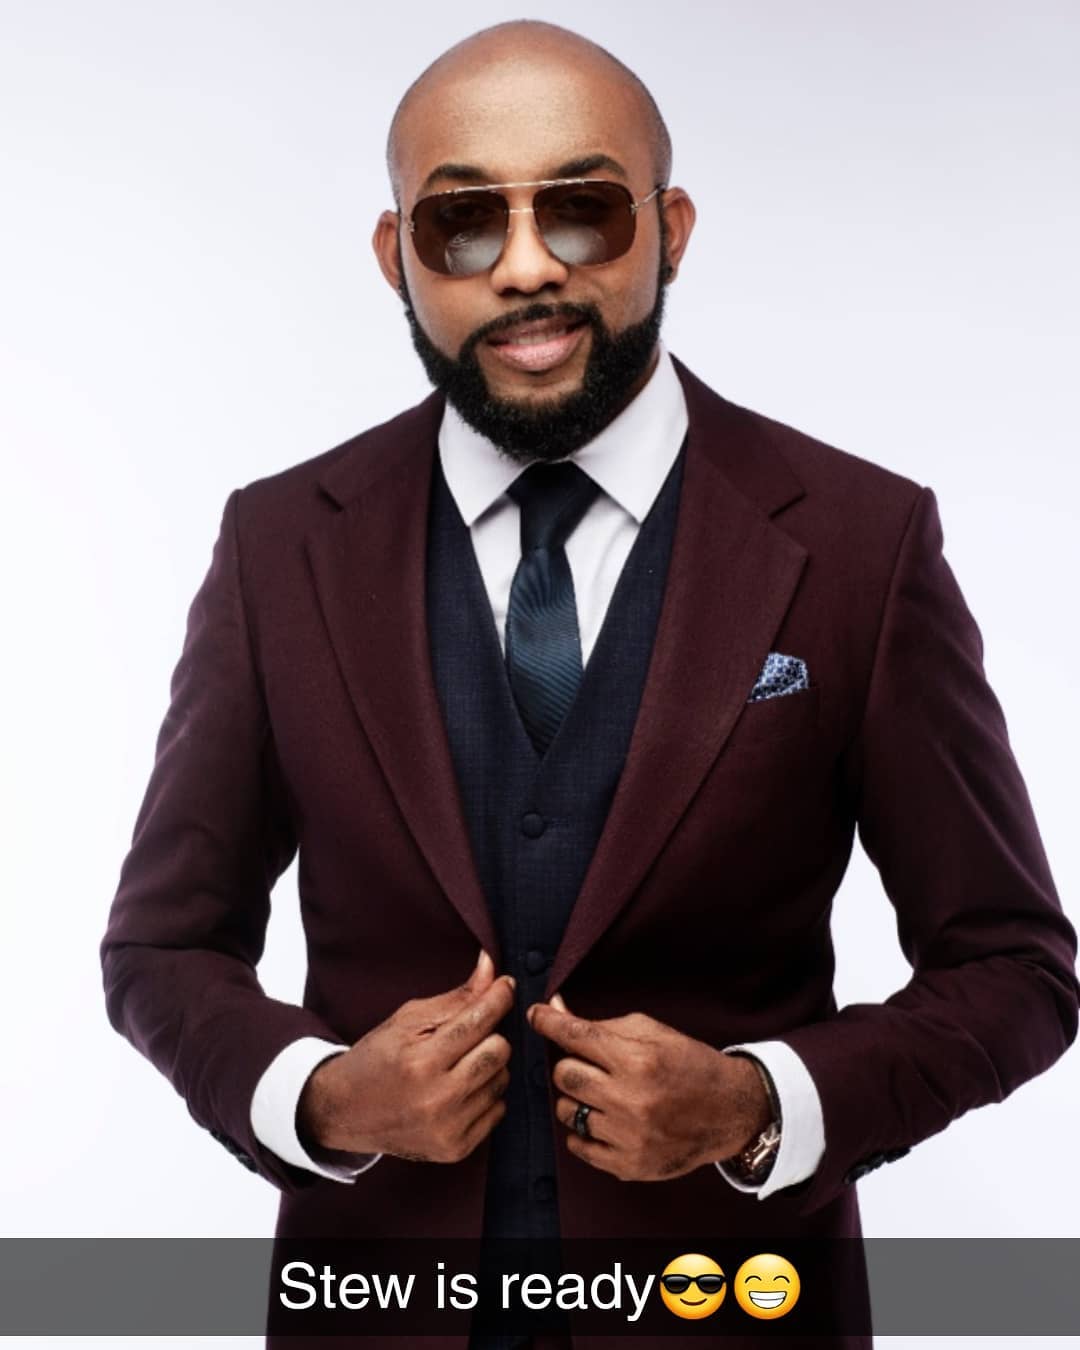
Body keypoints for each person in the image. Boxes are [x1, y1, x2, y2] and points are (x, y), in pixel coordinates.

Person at [100, 19, 1079, 1350]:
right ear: (395, 257)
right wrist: (319, 1097)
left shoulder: (861, 543)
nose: (524, 267)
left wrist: (762, 1104)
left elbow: (1014, 968)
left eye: (583, 211)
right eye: (461, 224)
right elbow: (161, 946)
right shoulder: (279, 546)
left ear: (669, 230)